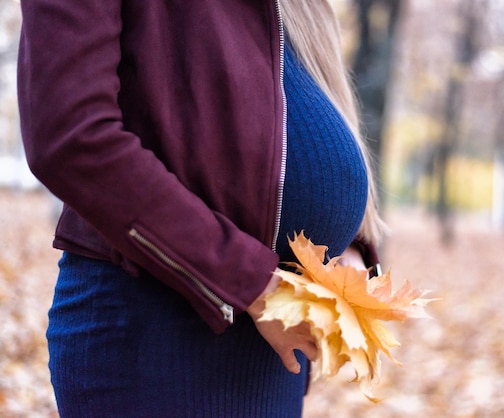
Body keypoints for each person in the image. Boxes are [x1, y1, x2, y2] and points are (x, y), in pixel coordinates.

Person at [18, 0, 385, 416]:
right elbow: (72, 138)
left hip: (269, 344)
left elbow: (288, 98)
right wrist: (251, 284)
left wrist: (347, 248)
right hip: (155, 336)